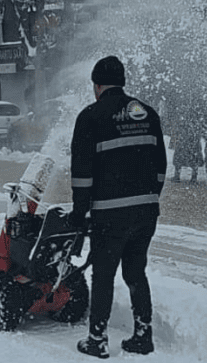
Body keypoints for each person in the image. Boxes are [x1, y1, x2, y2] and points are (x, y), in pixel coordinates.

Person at [70, 56, 167, 358]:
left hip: (110, 214)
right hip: (146, 212)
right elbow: (161, 167)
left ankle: (97, 340)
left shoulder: (91, 116)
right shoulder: (147, 113)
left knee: (103, 275)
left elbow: (82, 175)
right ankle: (143, 335)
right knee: (136, 272)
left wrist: (79, 213)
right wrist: (149, 198)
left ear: (97, 85)